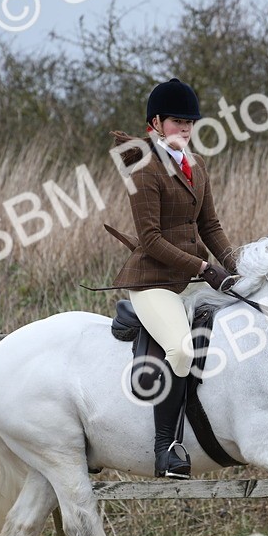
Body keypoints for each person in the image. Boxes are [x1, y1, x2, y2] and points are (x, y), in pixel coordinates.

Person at [111, 78, 240, 479]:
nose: (185, 129)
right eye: (178, 122)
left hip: (189, 279)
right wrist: (203, 269)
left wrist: (237, 269)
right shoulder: (142, 168)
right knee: (182, 351)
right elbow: (149, 239)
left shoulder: (196, 164)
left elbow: (210, 225)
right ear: (156, 122)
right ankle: (167, 447)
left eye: (190, 122)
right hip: (154, 281)